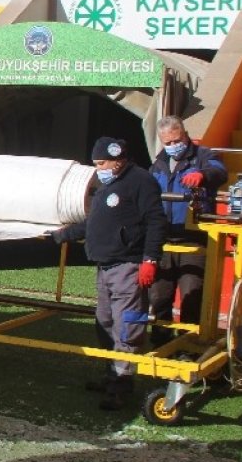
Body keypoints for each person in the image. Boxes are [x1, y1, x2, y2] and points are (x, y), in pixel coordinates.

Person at [52, 137, 166, 410]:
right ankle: (110, 375)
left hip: (128, 266)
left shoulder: (140, 181)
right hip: (105, 267)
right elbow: (93, 223)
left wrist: (150, 259)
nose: (98, 168)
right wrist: (61, 235)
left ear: (118, 160)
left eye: (102, 163)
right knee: (104, 322)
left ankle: (121, 385)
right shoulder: (107, 185)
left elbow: (155, 221)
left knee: (127, 326)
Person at [149, 115, 227, 347]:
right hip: (163, 240)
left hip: (194, 241)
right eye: (168, 142)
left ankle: (189, 345)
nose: (173, 146)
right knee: (159, 296)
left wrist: (203, 175)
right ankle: (160, 344)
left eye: (176, 140)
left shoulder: (204, 156)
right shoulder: (158, 163)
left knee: (192, 294)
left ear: (184, 134)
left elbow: (219, 171)